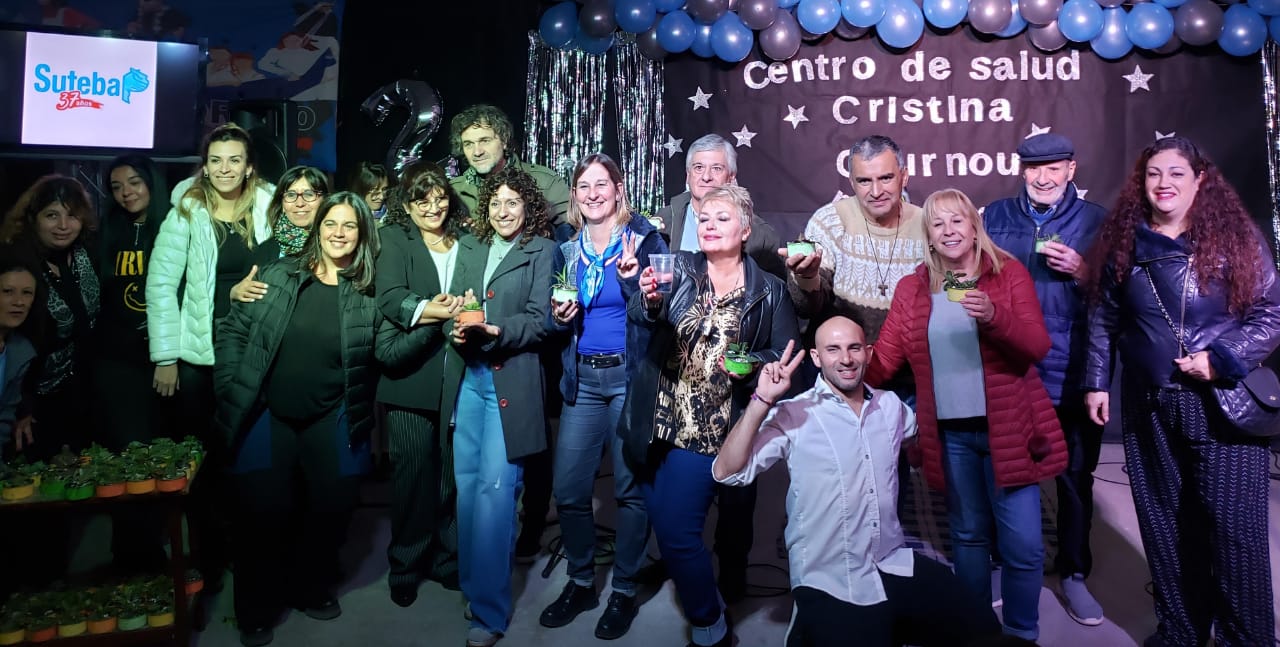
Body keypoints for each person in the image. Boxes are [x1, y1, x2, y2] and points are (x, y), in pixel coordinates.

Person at [1084, 136, 1280, 647]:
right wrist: (1096, 382)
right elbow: (1104, 317)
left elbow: (1272, 313)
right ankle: (1181, 630)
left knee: (1234, 534)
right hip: (1150, 404)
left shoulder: (1236, 237)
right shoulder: (1125, 242)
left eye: (1176, 173)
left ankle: (1246, 639)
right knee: (1164, 524)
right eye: (1153, 174)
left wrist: (1221, 358)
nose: (1163, 183)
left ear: (1200, 180)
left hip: (1220, 404)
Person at [713, 317, 1001, 647]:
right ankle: (805, 628)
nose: (846, 359)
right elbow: (727, 472)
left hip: (892, 561)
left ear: (869, 353)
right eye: (833, 350)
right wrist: (761, 401)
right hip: (828, 577)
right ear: (816, 358)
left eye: (854, 348)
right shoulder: (794, 413)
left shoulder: (891, 407)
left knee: (984, 628)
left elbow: (919, 436)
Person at [866, 188, 1067, 642]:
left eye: (957, 220)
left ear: (975, 228)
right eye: (938, 224)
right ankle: (976, 631)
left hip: (1008, 431)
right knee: (968, 536)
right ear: (929, 237)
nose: (949, 230)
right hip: (951, 435)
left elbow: (1037, 346)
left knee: (1023, 545)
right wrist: (845, 366)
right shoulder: (913, 288)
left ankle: (1021, 632)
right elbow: (886, 360)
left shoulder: (1007, 274)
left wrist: (994, 315)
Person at [622, 185, 799, 647]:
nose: (710, 225)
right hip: (656, 421)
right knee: (664, 524)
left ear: (745, 229)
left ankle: (709, 624)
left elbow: (784, 354)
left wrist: (752, 363)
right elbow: (642, 312)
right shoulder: (678, 267)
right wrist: (649, 298)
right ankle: (710, 607)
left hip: (711, 429)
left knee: (679, 534)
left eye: (722, 218)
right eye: (704, 218)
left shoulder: (770, 290)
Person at [214, 192, 380, 647]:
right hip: (268, 413)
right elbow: (233, 329)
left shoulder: (367, 290)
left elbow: (387, 348)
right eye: (331, 224)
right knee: (262, 513)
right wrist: (230, 384)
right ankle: (256, 609)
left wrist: (436, 322)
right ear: (318, 228)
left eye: (349, 225)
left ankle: (309, 586)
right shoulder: (279, 274)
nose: (339, 233)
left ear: (362, 234)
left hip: (332, 413)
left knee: (332, 507)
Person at [538, 153, 666, 639]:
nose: (593, 194)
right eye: (584, 186)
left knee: (630, 491)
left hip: (629, 379)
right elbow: (554, 317)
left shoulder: (645, 240)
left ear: (618, 189)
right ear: (575, 195)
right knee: (570, 490)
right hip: (583, 381)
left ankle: (625, 590)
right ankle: (581, 582)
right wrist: (558, 318)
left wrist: (634, 280)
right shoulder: (566, 249)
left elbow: (658, 313)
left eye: (601, 184)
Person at [982, 133, 1107, 625]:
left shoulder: (1096, 221)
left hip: (1071, 369)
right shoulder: (995, 216)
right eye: (1034, 168)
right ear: (1022, 170)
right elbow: (966, 273)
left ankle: (1074, 573)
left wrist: (1084, 272)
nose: (1043, 177)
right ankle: (1005, 562)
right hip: (1011, 368)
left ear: (1071, 170)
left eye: (1054, 167)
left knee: (1074, 478)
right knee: (1009, 473)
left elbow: (1120, 297)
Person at [147, 121, 274, 593]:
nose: (224, 169)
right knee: (202, 461)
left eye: (234, 160)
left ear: (249, 167)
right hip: (198, 354)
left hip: (250, 349)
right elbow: (161, 284)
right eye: (216, 160)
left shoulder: (269, 206)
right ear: (205, 166)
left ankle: (246, 551)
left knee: (245, 457)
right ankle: (208, 556)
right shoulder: (187, 208)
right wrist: (165, 356)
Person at [443, 167, 557, 647]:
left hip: (510, 381)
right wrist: (454, 322)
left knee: (496, 493)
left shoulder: (542, 251)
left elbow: (542, 321)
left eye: (513, 202)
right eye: (495, 203)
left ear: (528, 207)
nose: (503, 211)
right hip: (468, 379)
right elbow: (457, 304)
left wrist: (496, 330)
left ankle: (489, 614)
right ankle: (475, 587)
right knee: (468, 489)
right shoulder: (471, 246)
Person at [374, 162, 466, 606]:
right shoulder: (394, 239)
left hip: (459, 375)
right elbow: (390, 298)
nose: (433, 207)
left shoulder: (466, 239)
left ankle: (447, 560)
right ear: (406, 205)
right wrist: (438, 311)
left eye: (439, 197)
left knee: (450, 477)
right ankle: (406, 565)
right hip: (410, 377)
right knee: (412, 478)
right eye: (421, 199)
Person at [95, 155, 173, 574]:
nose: (126, 193)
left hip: (164, 362)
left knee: (163, 457)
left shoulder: (173, 226)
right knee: (128, 458)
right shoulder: (107, 232)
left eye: (134, 182)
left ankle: (158, 547)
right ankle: (128, 555)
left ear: (151, 184)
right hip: (117, 362)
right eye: (117, 186)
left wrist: (168, 355)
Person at [782, 135, 927, 344]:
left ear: (904, 177)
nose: (876, 192)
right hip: (842, 358)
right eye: (864, 181)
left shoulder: (928, 225)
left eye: (885, 178)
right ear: (852, 182)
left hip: (909, 358)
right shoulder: (829, 221)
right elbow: (806, 309)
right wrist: (806, 278)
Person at [0, 175, 100, 461]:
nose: (63, 226)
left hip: (81, 387)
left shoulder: (85, 251)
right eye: (52, 215)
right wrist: (21, 407)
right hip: (31, 397)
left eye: (72, 216)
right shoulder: (17, 261)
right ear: (33, 218)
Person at [654, 134, 784, 280]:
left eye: (716, 168)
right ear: (688, 175)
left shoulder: (761, 235)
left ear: (731, 177)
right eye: (698, 168)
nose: (706, 177)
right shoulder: (663, 222)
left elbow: (778, 288)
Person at [448, 104, 573, 242]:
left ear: (504, 141)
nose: (477, 152)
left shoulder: (545, 182)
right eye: (468, 144)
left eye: (485, 141)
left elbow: (574, 234)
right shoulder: (453, 191)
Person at [250, 166, 330, 266]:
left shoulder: (336, 243)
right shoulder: (263, 252)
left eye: (309, 194)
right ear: (282, 203)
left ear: (325, 200)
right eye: (291, 195)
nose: (300, 203)